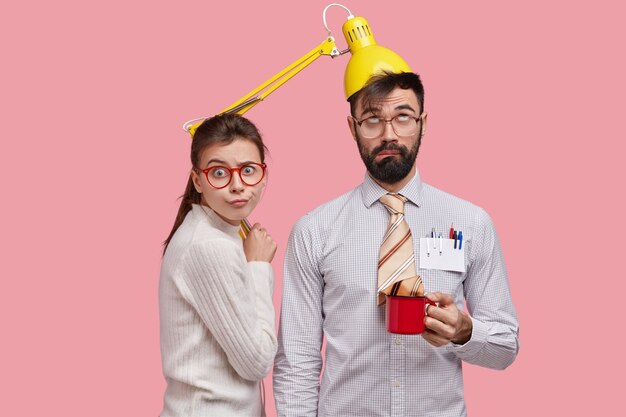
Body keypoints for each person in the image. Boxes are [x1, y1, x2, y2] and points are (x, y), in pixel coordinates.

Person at [273, 71, 519, 417]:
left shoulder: (471, 222)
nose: (389, 134)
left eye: (403, 117)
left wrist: (464, 331)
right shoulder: (314, 230)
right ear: (352, 127)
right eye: (372, 119)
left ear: (423, 123)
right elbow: (296, 361)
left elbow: (505, 348)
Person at [160, 113, 277, 417]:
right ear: (197, 180)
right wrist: (258, 266)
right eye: (219, 173)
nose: (238, 185)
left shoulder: (218, 232)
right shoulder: (210, 246)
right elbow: (256, 362)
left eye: (248, 170)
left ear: (263, 174)